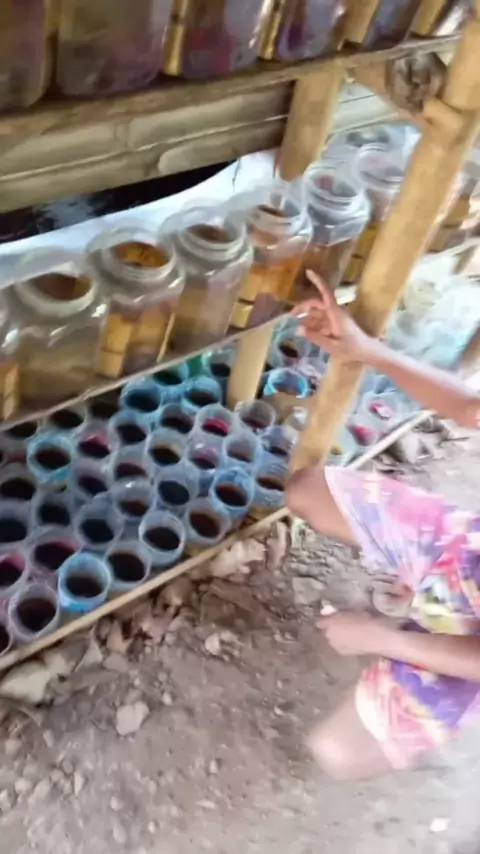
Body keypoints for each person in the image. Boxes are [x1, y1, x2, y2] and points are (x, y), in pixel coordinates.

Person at [286, 270, 480, 780]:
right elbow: (470, 408)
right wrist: (366, 349)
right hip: (471, 556)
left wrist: (381, 636)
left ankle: (423, 650)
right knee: (308, 492)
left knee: (338, 752)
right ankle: (426, 600)